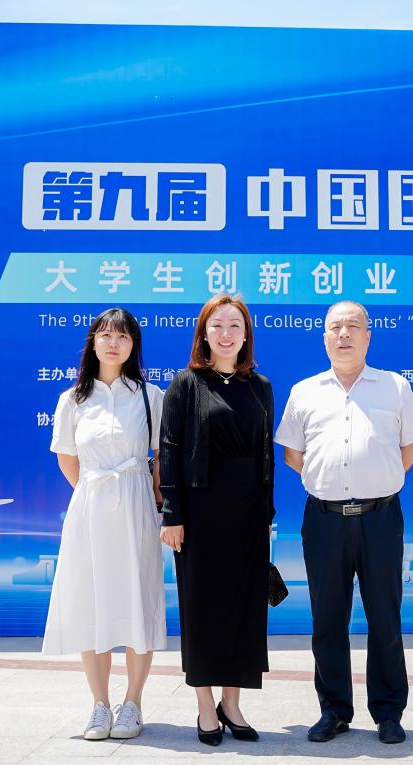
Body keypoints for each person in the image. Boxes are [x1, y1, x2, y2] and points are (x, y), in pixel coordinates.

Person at [275, 300, 413, 745]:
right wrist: (329, 482)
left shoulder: (394, 386)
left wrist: (379, 478)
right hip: (324, 520)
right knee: (327, 619)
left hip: (381, 517)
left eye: (353, 326)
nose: (343, 334)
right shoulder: (305, 391)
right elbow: (293, 454)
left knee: (385, 617)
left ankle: (388, 712)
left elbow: (412, 447)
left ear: (368, 336)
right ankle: (334, 709)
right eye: (335, 327)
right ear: (324, 337)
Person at [44, 308, 166, 741]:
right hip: (91, 506)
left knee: (138, 601)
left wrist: (146, 498)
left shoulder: (151, 396)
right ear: (93, 342)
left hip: (137, 506)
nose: (114, 343)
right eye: (106, 335)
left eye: (123, 336)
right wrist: (98, 491)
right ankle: (99, 705)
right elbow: (68, 459)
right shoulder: (73, 399)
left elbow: (160, 459)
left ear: (134, 345)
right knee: (91, 604)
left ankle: (133, 702)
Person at [158, 294, 275, 747]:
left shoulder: (260, 387)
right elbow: (170, 449)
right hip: (200, 512)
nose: (226, 334)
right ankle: (205, 703)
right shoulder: (186, 384)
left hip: (249, 514)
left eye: (235, 325)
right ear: (204, 334)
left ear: (246, 335)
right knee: (202, 607)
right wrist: (172, 513)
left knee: (245, 607)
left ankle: (232, 702)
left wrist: (266, 513)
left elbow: (265, 456)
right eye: (217, 325)